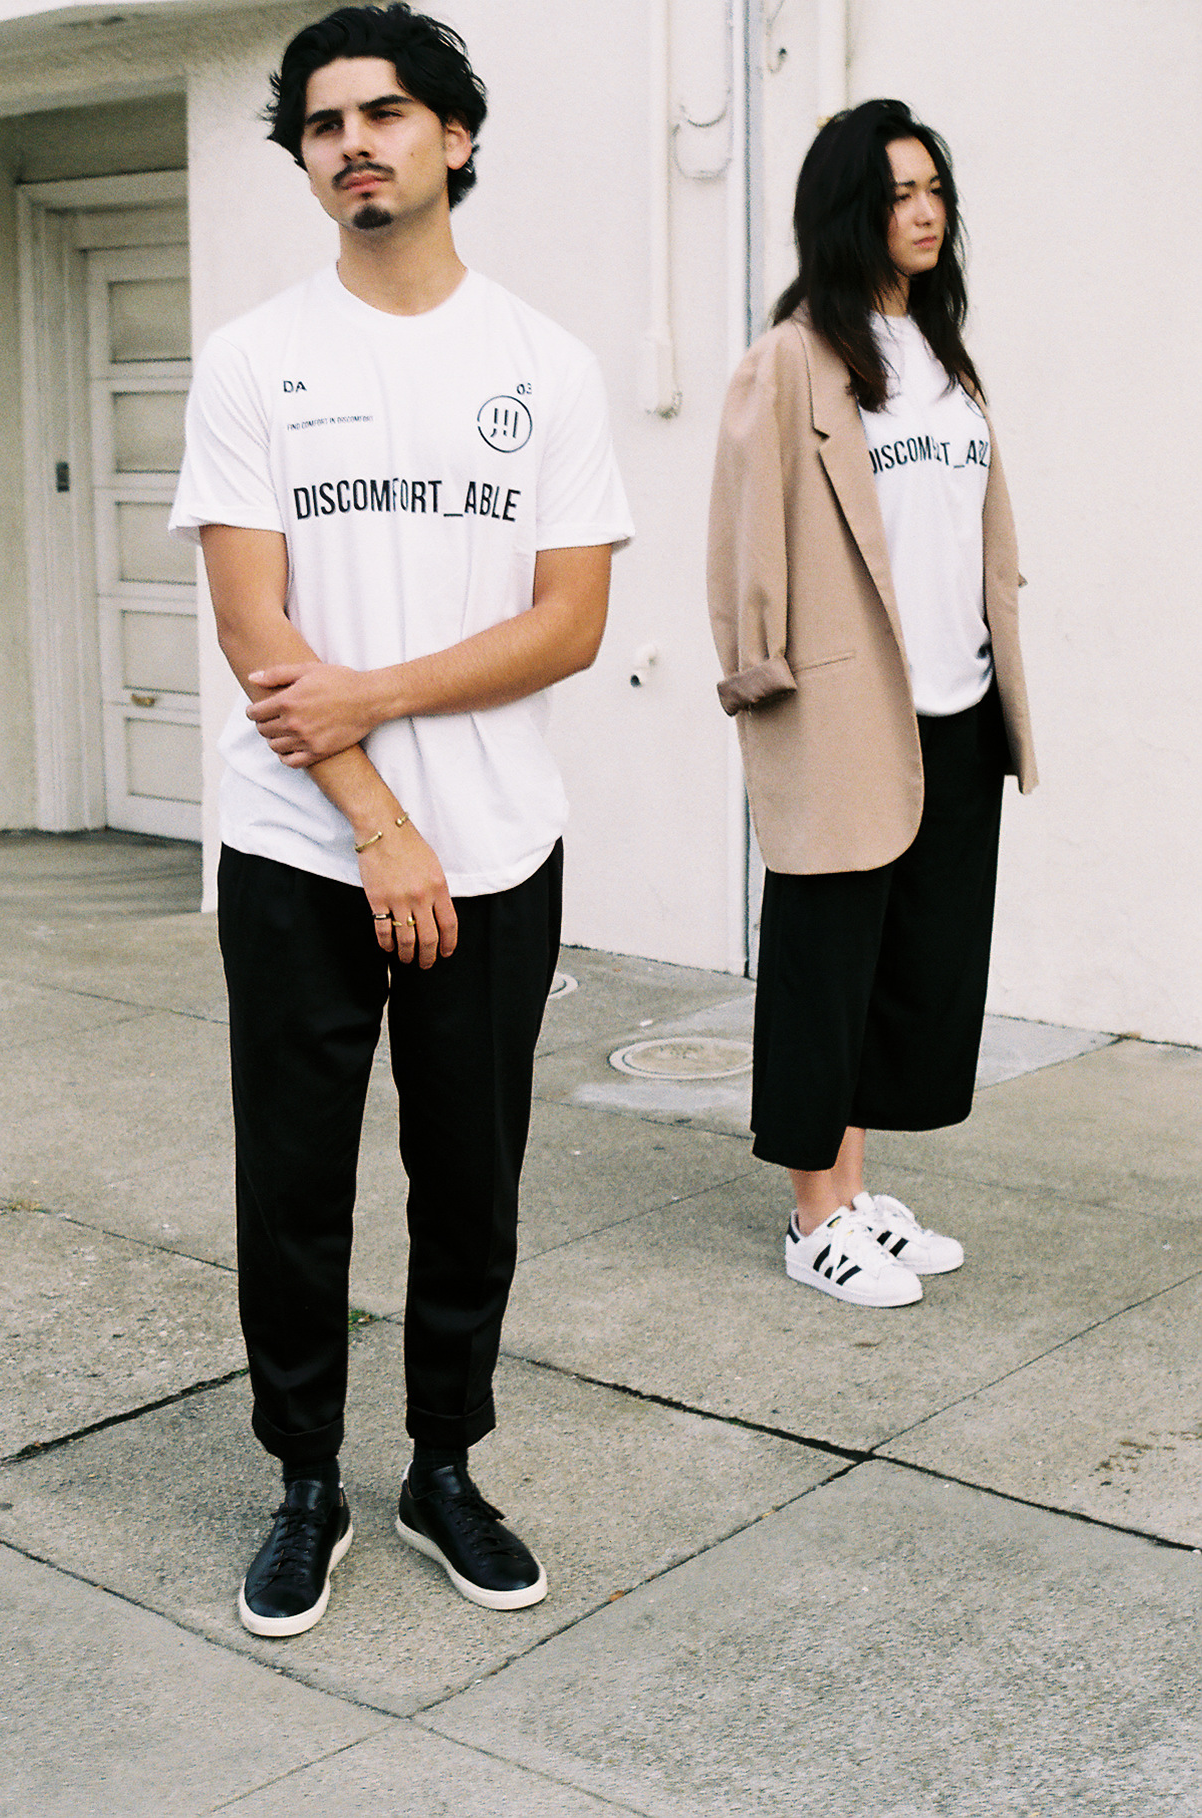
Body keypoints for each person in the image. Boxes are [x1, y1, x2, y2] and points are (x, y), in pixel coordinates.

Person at [169, 2, 632, 1635]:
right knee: (294, 1183)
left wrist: (374, 698)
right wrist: (374, 817)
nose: (351, 142)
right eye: (322, 123)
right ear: (304, 161)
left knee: (470, 1179)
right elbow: (256, 627)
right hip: (303, 845)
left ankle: (445, 1464)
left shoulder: (545, 365)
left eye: (382, 113)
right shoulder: (254, 359)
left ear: (453, 135)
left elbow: (568, 621)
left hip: (495, 845)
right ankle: (306, 1477)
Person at [707, 99, 1036, 1310]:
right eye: (899, 193)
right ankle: (813, 1216)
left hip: (960, 706)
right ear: (849, 210)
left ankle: (852, 1195)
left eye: (934, 188)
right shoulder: (794, 359)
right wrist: (761, 687)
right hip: (847, 715)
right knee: (826, 966)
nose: (924, 211)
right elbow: (743, 538)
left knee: (906, 969)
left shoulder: (945, 358)